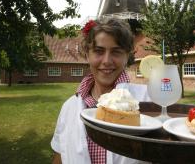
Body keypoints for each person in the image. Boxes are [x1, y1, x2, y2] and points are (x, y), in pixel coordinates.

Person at [51, 18, 150, 164]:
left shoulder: (148, 101)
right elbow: (61, 156)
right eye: (99, 51)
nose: (106, 61)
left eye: (116, 52)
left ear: (127, 55)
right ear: (87, 54)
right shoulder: (68, 107)